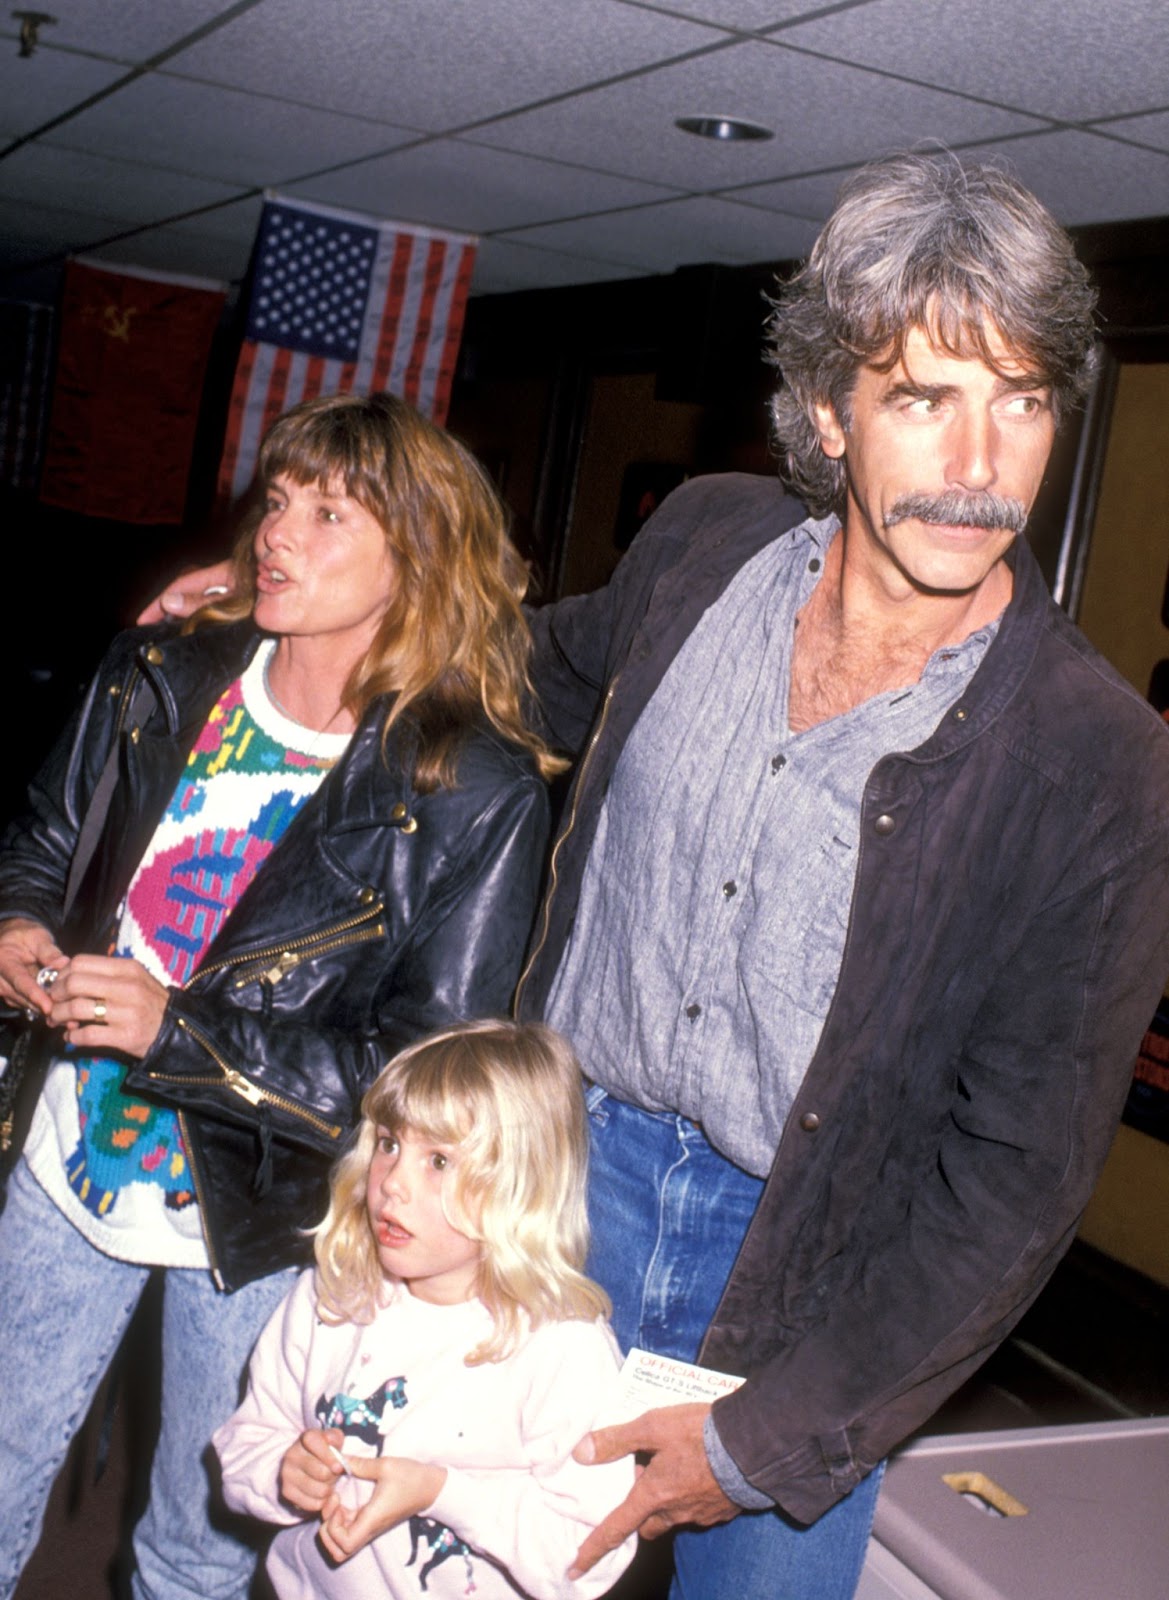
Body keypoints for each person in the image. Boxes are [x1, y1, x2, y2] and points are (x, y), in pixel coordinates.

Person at [142, 153, 1169, 1600]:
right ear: (828, 412)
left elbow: (1010, 1187)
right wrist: (276, 613)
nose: (979, 466)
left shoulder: (1092, 761)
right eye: (924, 397)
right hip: (558, 1181)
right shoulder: (704, 546)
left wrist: (757, 1447)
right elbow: (515, 676)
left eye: (1022, 400)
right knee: (428, 1567)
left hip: (804, 1267)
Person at [0, 392, 556, 1600]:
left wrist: (178, 1032)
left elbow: (426, 1079)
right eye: (282, 499)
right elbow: (42, 833)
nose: (278, 533)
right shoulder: (164, 664)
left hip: (264, 1222)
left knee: (198, 1548)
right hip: (64, 1157)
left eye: (330, 512)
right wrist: (19, 919)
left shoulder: (470, 792)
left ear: (414, 559)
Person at [213, 1018, 637, 1600]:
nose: (391, 1184)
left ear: (518, 1185)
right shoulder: (333, 1294)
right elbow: (247, 1438)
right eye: (389, 1144)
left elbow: (592, 1555)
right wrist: (283, 1471)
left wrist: (442, 1492)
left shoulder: (561, 1347)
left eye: (438, 1161)